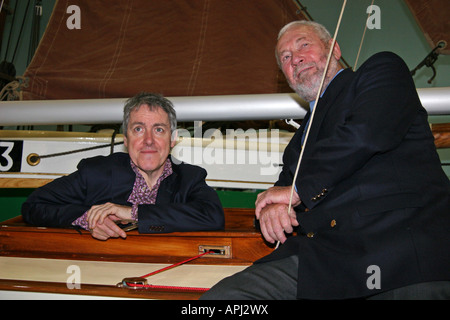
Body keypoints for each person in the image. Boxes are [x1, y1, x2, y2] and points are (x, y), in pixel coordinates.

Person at [201, 21, 450, 300]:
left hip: (400, 252)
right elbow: (281, 196)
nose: (295, 58)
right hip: (324, 262)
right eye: (285, 57)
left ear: (334, 49)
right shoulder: (297, 145)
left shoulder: (381, 71)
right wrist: (272, 210)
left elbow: (367, 134)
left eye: (304, 45)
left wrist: (296, 191)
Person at [22, 92, 224, 240]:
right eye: (138, 129)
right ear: (126, 139)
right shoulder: (95, 173)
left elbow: (213, 217)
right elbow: (34, 206)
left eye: (159, 130)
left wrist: (132, 212)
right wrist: (90, 219)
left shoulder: (189, 178)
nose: (148, 140)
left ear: (173, 139)